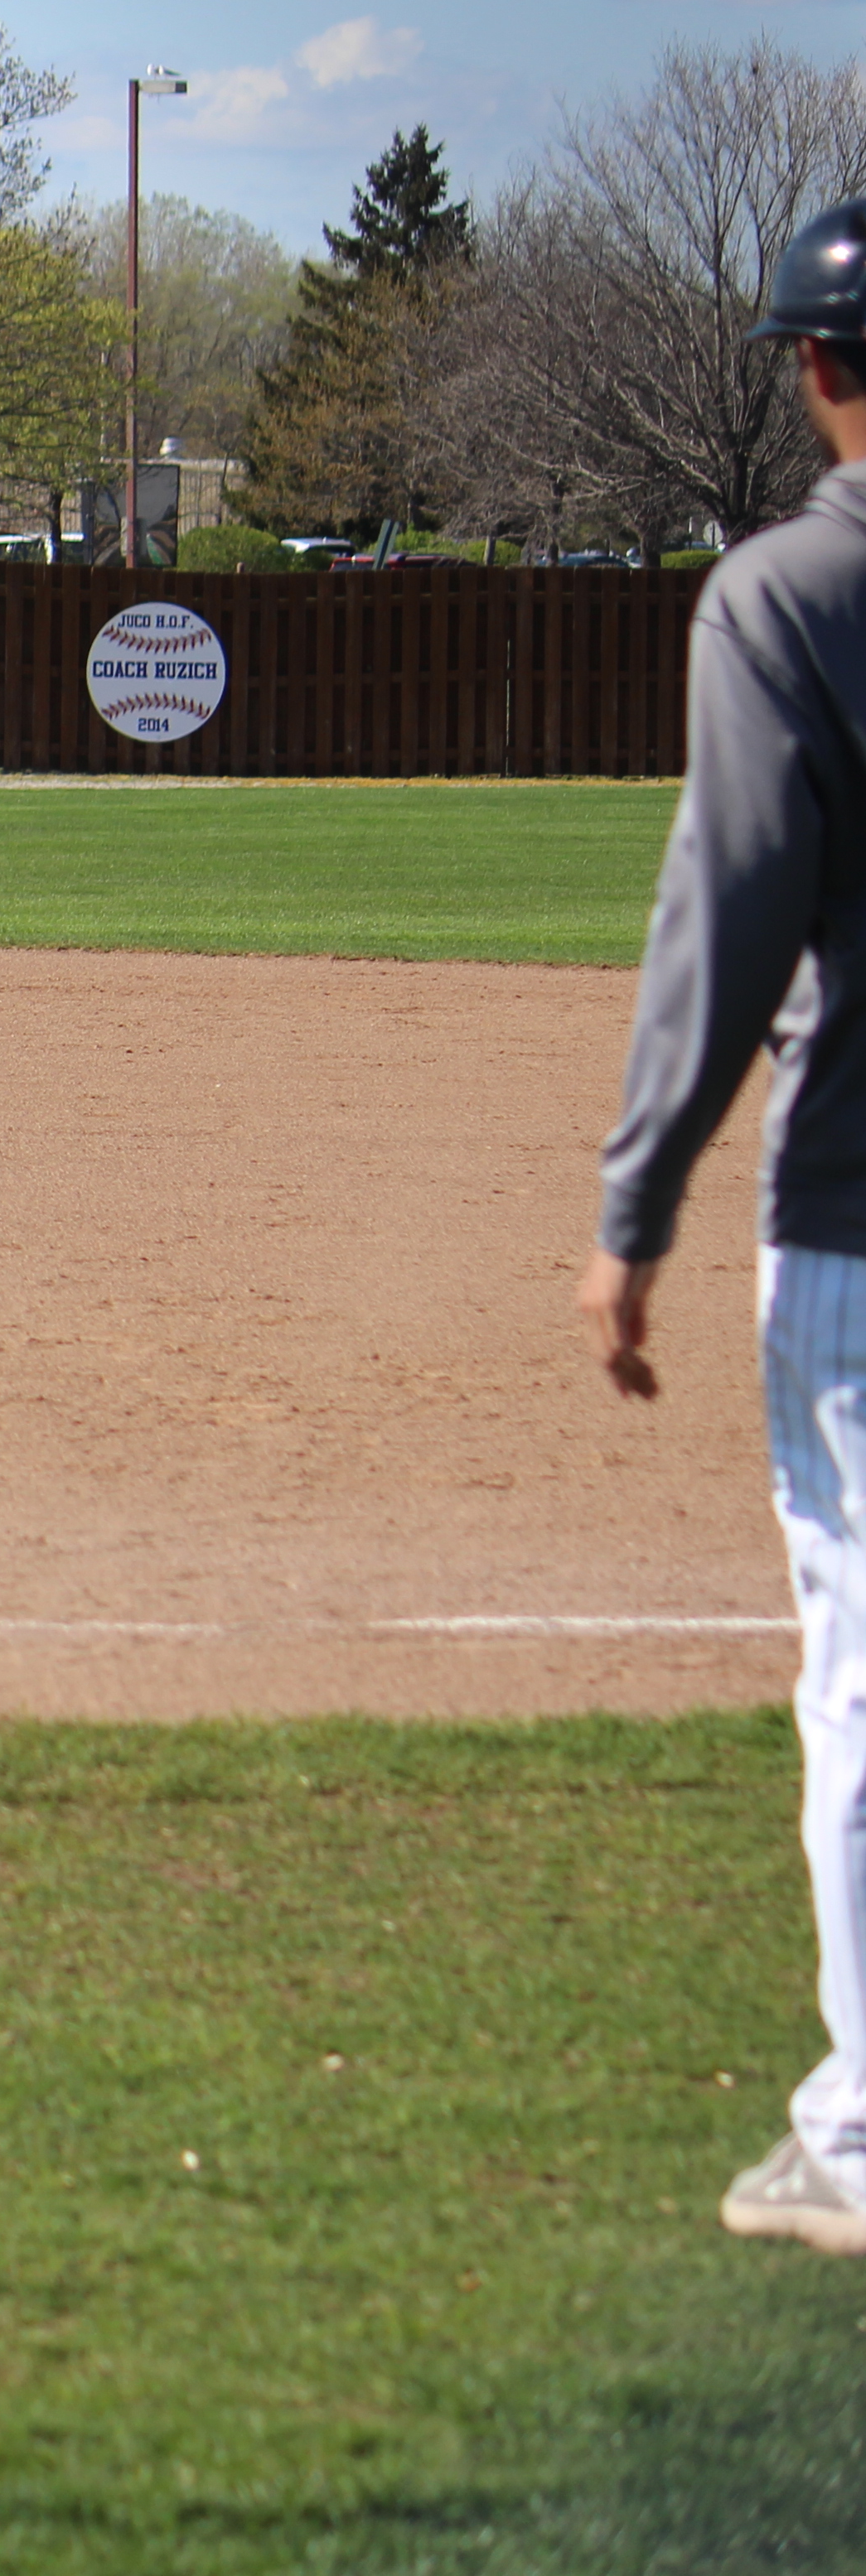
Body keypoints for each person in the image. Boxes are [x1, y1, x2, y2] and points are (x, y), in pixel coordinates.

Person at [586, 190, 866, 2258]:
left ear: (807, 367)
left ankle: (860, 2129)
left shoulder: (784, 595)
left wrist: (634, 1198)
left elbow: (729, 906)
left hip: (860, 1198)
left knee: (860, 1660)